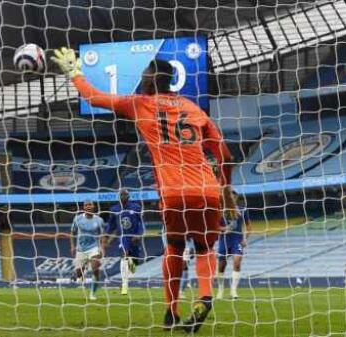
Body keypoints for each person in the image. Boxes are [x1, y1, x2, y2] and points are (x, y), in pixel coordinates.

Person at [53, 48, 235, 332]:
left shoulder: (140, 104)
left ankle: (171, 312)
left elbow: (94, 97)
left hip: (174, 192)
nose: (141, 79)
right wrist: (225, 190)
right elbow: (224, 154)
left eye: (143, 75)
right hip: (207, 189)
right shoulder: (194, 108)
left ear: (151, 81)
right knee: (203, 248)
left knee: (174, 246)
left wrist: (74, 73)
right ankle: (205, 297)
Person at [106, 189, 144, 295]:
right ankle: (124, 285)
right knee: (124, 255)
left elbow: (141, 223)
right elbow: (111, 225)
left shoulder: (136, 207)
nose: (123, 196)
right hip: (123, 238)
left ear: (128, 196)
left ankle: (133, 262)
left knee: (134, 264)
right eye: (121, 194)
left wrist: (139, 234)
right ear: (118, 197)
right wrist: (106, 236)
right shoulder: (114, 209)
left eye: (125, 194)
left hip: (134, 238)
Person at [216, 191, 251, 299]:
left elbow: (249, 226)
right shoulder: (220, 211)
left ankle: (233, 291)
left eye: (233, 197)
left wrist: (245, 239)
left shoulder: (242, 210)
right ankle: (220, 290)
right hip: (224, 240)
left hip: (237, 239)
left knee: (237, 261)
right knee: (221, 266)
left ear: (236, 199)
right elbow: (214, 226)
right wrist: (224, 229)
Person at [71, 200, 106, 301]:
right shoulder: (77, 219)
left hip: (94, 248)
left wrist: (102, 247)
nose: (88, 206)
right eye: (86, 205)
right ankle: (81, 273)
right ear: (83, 207)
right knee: (79, 273)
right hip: (81, 249)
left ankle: (92, 294)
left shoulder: (99, 220)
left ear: (94, 206)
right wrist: (72, 246)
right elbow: (72, 233)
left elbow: (103, 235)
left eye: (90, 204)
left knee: (95, 269)